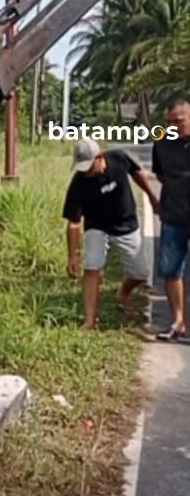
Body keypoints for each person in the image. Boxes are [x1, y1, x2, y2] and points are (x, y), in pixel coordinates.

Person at [63, 138, 158, 329]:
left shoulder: (119, 158)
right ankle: (90, 321)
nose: (85, 172)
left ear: (100, 158)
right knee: (92, 268)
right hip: (96, 226)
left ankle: (123, 293)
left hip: (126, 223)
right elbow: (73, 223)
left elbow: (137, 173)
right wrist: (73, 256)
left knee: (140, 273)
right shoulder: (79, 184)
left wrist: (151, 196)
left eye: (89, 167)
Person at [152, 97, 190, 341]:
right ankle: (178, 321)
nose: (174, 127)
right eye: (169, 122)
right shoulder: (162, 142)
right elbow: (160, 174)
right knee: (171, 270)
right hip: (174, 215)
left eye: (179, 121)